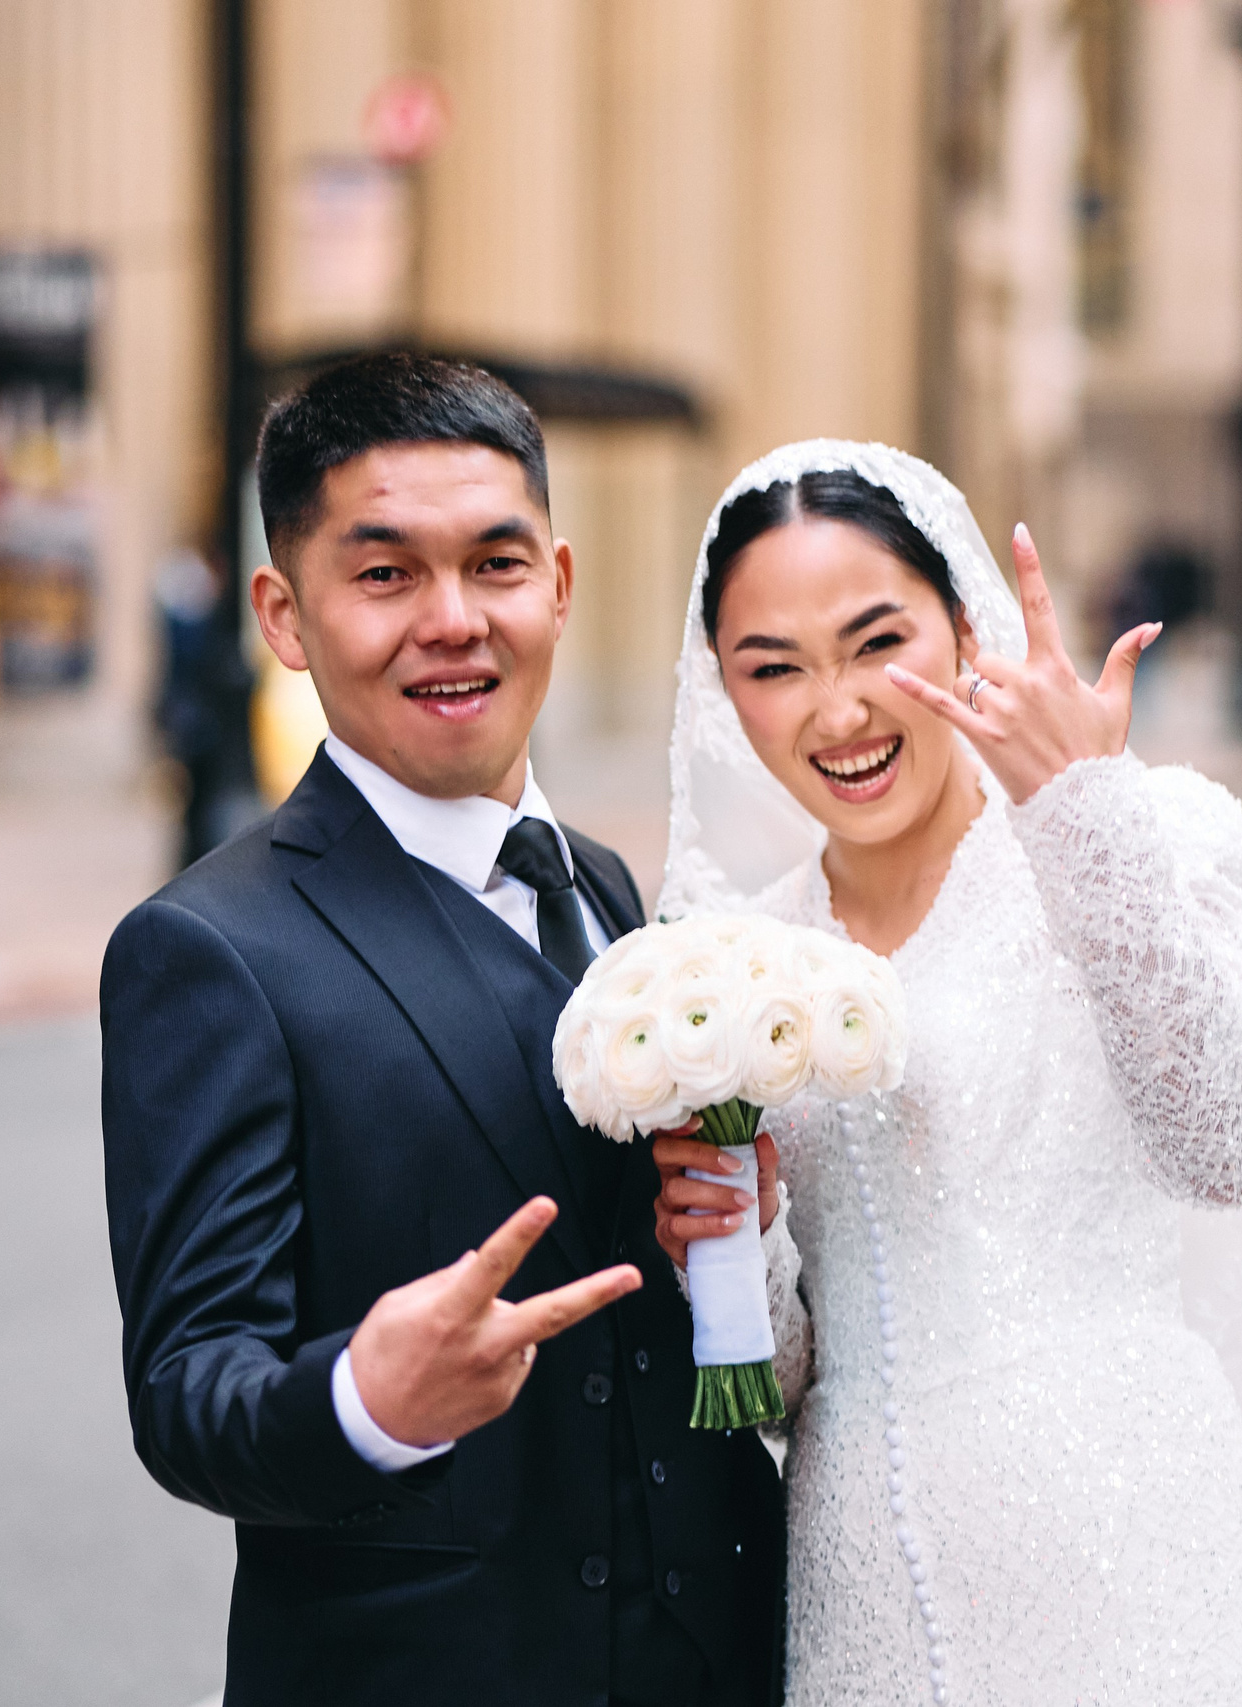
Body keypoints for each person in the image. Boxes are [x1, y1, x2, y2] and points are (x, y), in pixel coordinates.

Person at [648, 442, 1242, 1707]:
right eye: (773, 668)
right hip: (868, 1597)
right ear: (726, 694)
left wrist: (1078, 816)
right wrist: (739, 1240)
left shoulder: (1142, 830)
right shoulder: (738, 972)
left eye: (877, 641)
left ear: (961, 627)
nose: (838, 713)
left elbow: (1230, 1140)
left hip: (1140, 1559)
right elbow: (776, 1386)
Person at [98, 354, 786, 1706]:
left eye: (495, 563)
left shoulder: (600, 884)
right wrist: (365, 1394)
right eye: (386, 573)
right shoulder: (209, 949)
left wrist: (719, 1220)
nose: (454, 619)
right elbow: (191, 1390)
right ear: (284, 615)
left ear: (561, 585)